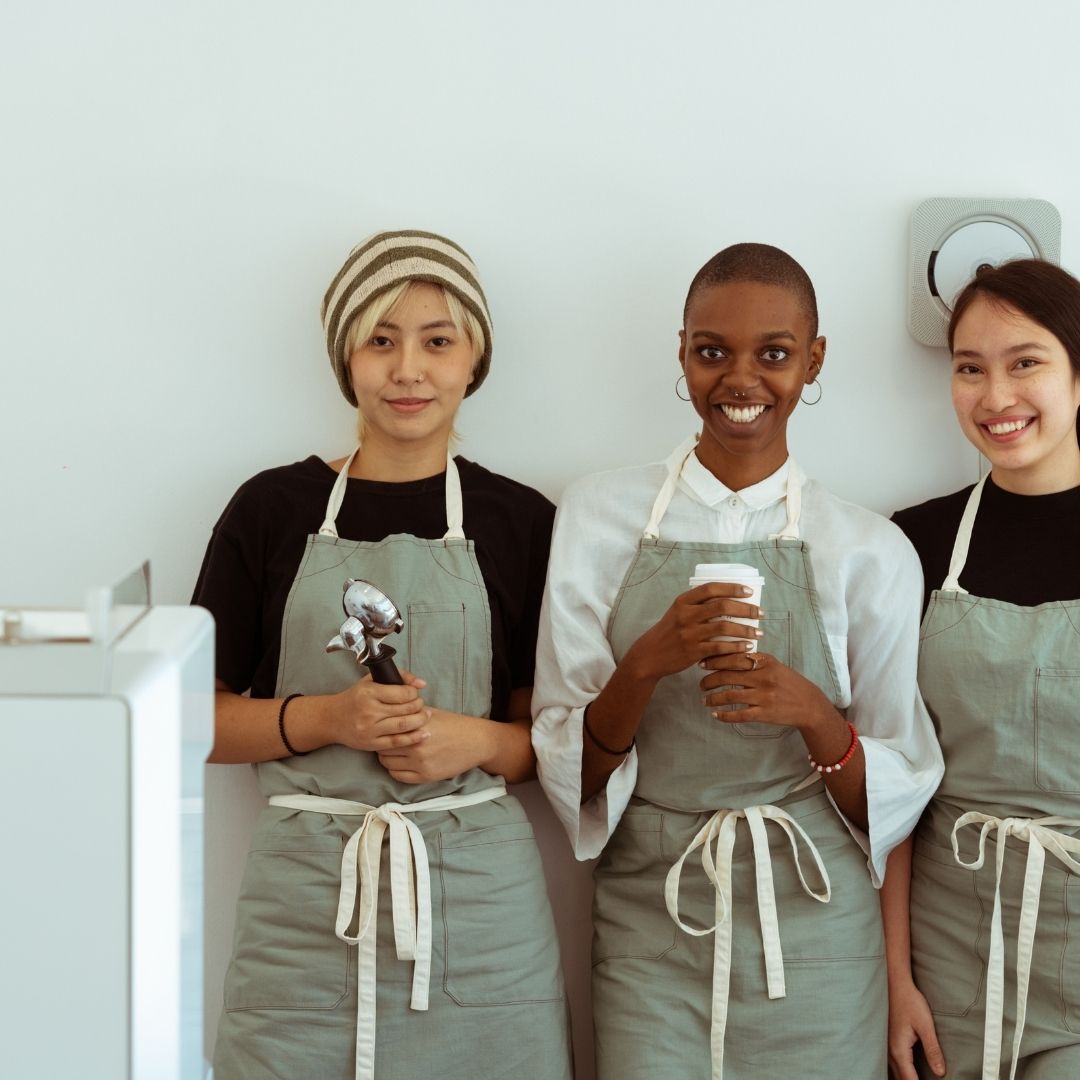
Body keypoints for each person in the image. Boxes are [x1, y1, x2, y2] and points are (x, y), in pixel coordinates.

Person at [532, 242, 943, 1080]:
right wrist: (645, 664)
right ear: (681, 352)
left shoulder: (869, 549)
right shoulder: (597, 515)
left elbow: (897, 793)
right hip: (654, 921)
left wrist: (817, 718)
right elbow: (567, 768)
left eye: (776, 354)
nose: (741, 379)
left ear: (814, 359)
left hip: (819, 926)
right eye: (712, 352)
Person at [193, 230, 572, 1080]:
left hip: (478, 911)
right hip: (303, 912)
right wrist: (328, 718)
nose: (409, 370)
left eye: (438, 340)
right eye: (380, 339)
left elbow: (559, 736)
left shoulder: (521, 523)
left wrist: (468, 742)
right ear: (346, 359)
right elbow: (194, 721)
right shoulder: (269, 509)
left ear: (473, 357)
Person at [886, 258, 1080, 1080]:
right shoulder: (914, 543)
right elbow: (893, 781)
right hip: (949, 953)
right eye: (970, 368)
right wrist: (896, 981)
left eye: (1025, 361)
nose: (995, 396)